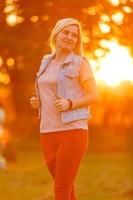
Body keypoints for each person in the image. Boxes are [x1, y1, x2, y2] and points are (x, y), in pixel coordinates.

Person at [30, 18, 98, 200]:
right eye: (66, 33)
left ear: (77, 41)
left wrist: (70, 103)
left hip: (73, 131)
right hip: (47, 131)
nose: (70, 37)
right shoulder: (45, 61)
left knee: (60, 189)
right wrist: (37, 100)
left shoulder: (80, 63)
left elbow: (94, 95)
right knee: (67, 188)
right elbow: (47, 89)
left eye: (74, 35)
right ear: (56, 34)